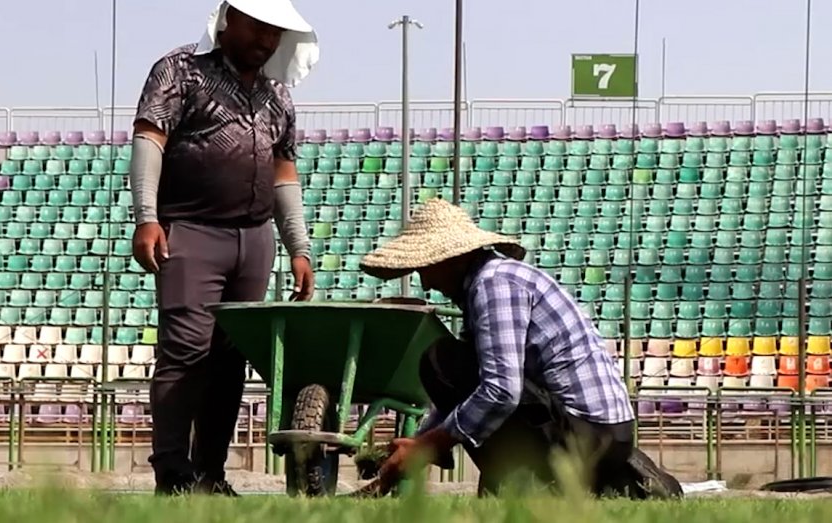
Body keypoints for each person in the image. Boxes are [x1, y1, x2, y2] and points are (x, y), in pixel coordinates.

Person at [358, 199, 682, 498]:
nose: (426, 284)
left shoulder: (494, 284)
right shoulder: (491, 282)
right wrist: (418, 444)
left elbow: (501, 391)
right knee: (453, 367)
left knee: (441, 362)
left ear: (453, 260)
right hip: (597, 431)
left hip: (588, 435)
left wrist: (429, 445)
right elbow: (462, 394)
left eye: (427, 268)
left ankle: (533, 483)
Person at [128, 0, 318, 495]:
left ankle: (211, 473)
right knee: (185, 353)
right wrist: (147, 218)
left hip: (254, 239)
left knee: (230, 359)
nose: (267, 39)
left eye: (276, 32)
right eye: (258, 26)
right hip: (191, 229)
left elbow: (283, 170)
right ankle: (173, 473)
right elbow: (150, 138)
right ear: (229, 19)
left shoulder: (278, 95)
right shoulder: (181, 70)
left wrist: (298, 245)